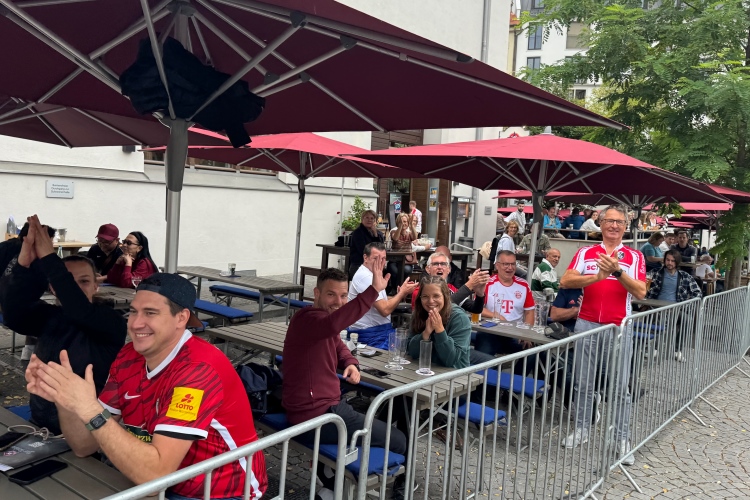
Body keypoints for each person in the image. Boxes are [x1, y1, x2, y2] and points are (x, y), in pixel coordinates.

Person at [25, 272, 268, 499]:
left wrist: (89, 409)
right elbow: (84, 446)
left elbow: (155, 475)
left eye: (150, 313)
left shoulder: (197, 370)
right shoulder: (129, 355)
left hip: (221, 491)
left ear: (181, 318)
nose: (136, 323)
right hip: (159, 482)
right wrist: (65, 399)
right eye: (133, 312)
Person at [282, 266, 406, 499]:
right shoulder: (308, 318)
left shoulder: (319, 322)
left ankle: (331, 482)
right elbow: (333, 326)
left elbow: (338, 344)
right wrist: (373, 291)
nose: (338, 302)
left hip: (319, 410)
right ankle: (395, 489)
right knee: (398, 440)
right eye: (331, 295)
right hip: (318, 416)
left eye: (343, 295)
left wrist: (351, 362)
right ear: (316, 293)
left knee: (371, 421)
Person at [1, 215, 126, 434]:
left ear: (96, 286)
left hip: (91, 430)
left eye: (84, 281)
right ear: (54, 288)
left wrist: (49, 257)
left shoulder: (112, 322)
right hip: (41, 424)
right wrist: (24, 265)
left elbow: (79, 309)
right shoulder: (50, 317)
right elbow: (13, 312)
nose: (75, 288)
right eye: (69, 281)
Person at [559, 205, 646, 466]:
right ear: (601, 223)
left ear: (625, 227)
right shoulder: (585, 252)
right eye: (610, 221)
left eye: (619, 222)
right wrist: (597, 276)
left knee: (620, 387)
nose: (614, 226)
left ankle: (621, 439)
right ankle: (582, 428)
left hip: (619, 326)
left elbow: (641, 292)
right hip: (586, 323)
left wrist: (618, 272)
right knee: (582, 383)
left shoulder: (634, 256)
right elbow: (566, 280)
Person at [348, 242, 418, 349]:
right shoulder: (365, 277)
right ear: (365, 258)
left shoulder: (371, 273)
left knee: (412, 342)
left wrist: (399, 294)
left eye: (383, 258)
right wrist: (402, 293)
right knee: (412, 345)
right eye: (376, 258)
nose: (380, 262)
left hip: (377, 332)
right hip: (369, 336)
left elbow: (381, 300)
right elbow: (384, 310)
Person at [475, 251, 535, 367]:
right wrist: (496, 316)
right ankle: (487, 378)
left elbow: (529, 312)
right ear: (497, 265)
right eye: (506, 264)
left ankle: (515, 378)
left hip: (515, 334)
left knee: (533, 353)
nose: (510, 268)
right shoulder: (488, 283)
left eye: (513, 264)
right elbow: (477, 308)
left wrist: (527, 334)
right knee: (484, 360)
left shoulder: (523, 285)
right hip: (490, 332)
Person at [645, 250, 702, 362]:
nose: (669, 263)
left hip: (676, 309)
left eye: (672, 261)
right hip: (656, 307)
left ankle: (677, 350)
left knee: (688, 320)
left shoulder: (685, 276)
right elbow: (642, 284)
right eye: (667, 260)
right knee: (660, 319)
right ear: (664, 260)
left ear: (677, 262)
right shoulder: (655, 273)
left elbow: (698, 293)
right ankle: (654, 348)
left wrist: (685, 305)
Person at [407, 277, 471, 369]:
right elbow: (411, 352)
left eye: (436, 296)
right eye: (425, 296)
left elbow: (450, 359)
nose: (430, 301)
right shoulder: (418, 313)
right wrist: (425, 334)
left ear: (445, 297)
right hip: (424, 369)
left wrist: (439, 330)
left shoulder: (459, 318)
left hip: (454, 373)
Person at [411, 252, 488, 315]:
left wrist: (480, 294)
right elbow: (443, 308)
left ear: (449, 270)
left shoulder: (450, 288)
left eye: (443, 264)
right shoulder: (420, 290)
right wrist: (469, 285)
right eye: (435, 264)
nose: (439, 267)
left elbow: (476, 309)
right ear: (428, 269)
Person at [389, 213, 429, 293]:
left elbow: (414, 237)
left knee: (406, 270)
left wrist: (411, 225)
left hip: (407, 261)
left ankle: (400, 289)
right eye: (401, 222)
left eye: (405, 222)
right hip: (395, 260)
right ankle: (396, 289)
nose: (404, 223)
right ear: (398, 222)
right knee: (394, 270)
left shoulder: (409, 233)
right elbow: (395, 238)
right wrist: (400, 227)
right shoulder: (393, 231)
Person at [348, 210, 383, 279]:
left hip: (374, 264)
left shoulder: (378, 233)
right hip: (359, 264)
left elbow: (381, 248)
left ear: (375, 221)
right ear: (362, 219)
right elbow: (363, 250)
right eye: (367, 218)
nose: (369, 220)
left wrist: (375, 235)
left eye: (372, 218)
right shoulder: (357, 233)